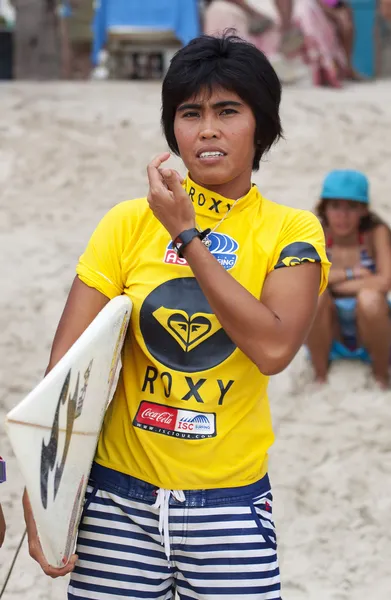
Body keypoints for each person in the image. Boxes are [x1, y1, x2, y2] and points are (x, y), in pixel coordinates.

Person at [23, 33, 329, 599]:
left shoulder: (294, 231)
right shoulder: (125, 223)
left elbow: (273, 350)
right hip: (117, 504)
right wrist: (42, 483)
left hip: (232, 506)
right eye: (191, 113)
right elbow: (63, 370)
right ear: (173, 131)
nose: (208, 128)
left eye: (228, 110)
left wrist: (186, 235)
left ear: (260, 125)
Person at [306, 170, 391, 388]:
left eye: (351, 207)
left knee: (370, 299)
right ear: (324, 207)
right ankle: (320, 375)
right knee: (314, 298)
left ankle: (381, 376)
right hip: (329, 328)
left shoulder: (376, 232)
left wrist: (331, 283)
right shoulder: (316, 231)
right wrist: (353, 273)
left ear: (363, 210)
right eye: (336, 206)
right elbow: (307, 283)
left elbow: (385, 282)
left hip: (373, 326)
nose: (343, 216)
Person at [318, 0, 362, 81]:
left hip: (334, 5)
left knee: (347, 25)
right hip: (318, 7)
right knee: (344, 24)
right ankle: (337, 67)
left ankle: (347, 66)